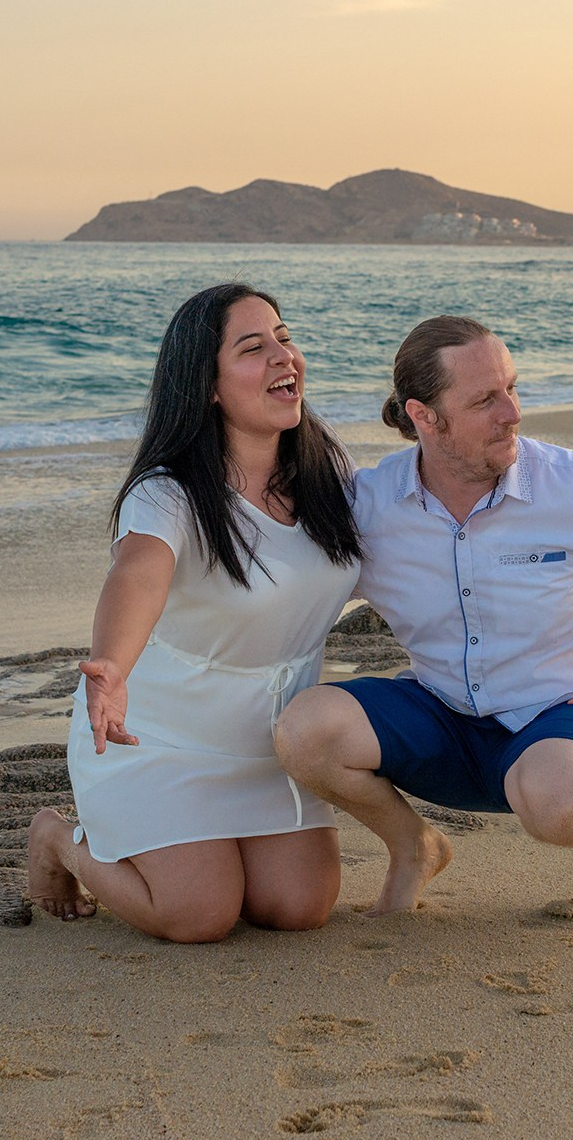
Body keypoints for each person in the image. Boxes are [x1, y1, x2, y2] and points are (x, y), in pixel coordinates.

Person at [274, 316, 573, 917]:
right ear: (424, 416)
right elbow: (278, 586)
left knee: (562, 801)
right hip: (441, 716)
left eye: (512, 389)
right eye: (485, 400)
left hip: (563, 723)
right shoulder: (369, 505)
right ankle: (414, 846)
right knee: (304, 731)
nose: (512, 412)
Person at [25, 283, 361, 942]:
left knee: (300, 905)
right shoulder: (167, 494)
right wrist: (113, 667)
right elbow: (138, 575)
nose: (281, 356)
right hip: (161, 737)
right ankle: (58, 838)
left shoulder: (330, 474)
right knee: (198, 912)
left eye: (284, 338)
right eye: (253, 347)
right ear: (207, 385)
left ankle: (210, 845)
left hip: (268, 745)